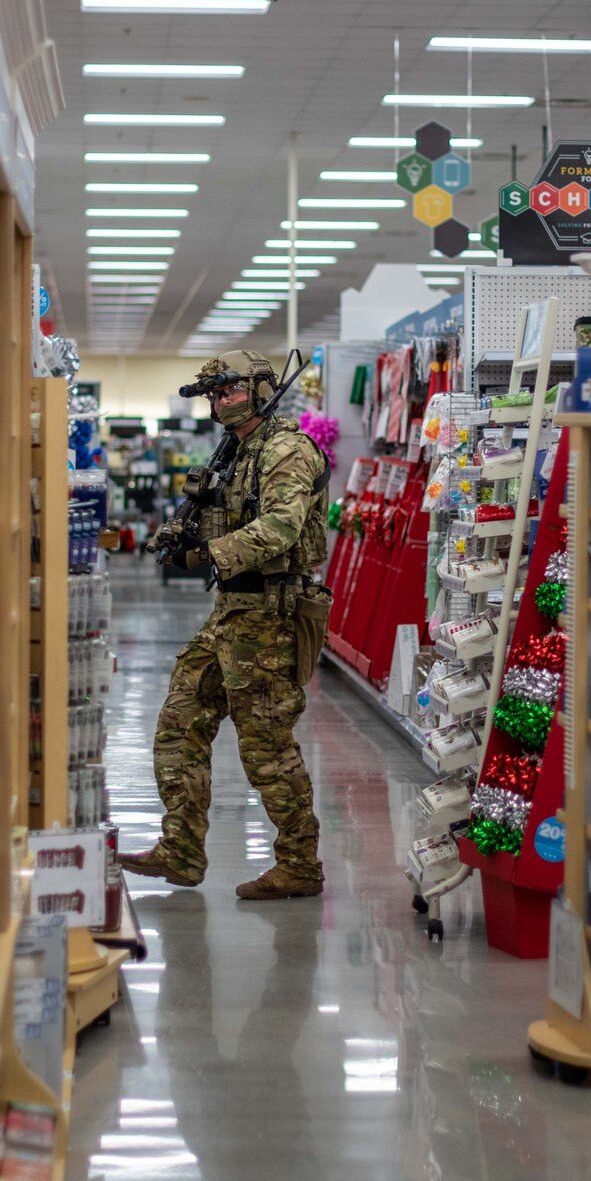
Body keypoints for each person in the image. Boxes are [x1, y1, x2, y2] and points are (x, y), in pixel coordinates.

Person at [119, 351, 329, 900]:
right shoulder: (234, 452)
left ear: (261, 389)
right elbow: (218, 518)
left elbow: (282, 527)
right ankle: (182, 849)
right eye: (214, 393)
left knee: (266, 748)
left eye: (231, 390)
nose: (220, 401)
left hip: (272, 618)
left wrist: (211, 552)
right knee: (179, 720)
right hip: (232, 614)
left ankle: (300, 864)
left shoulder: (286, 449)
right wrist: (182, 542)